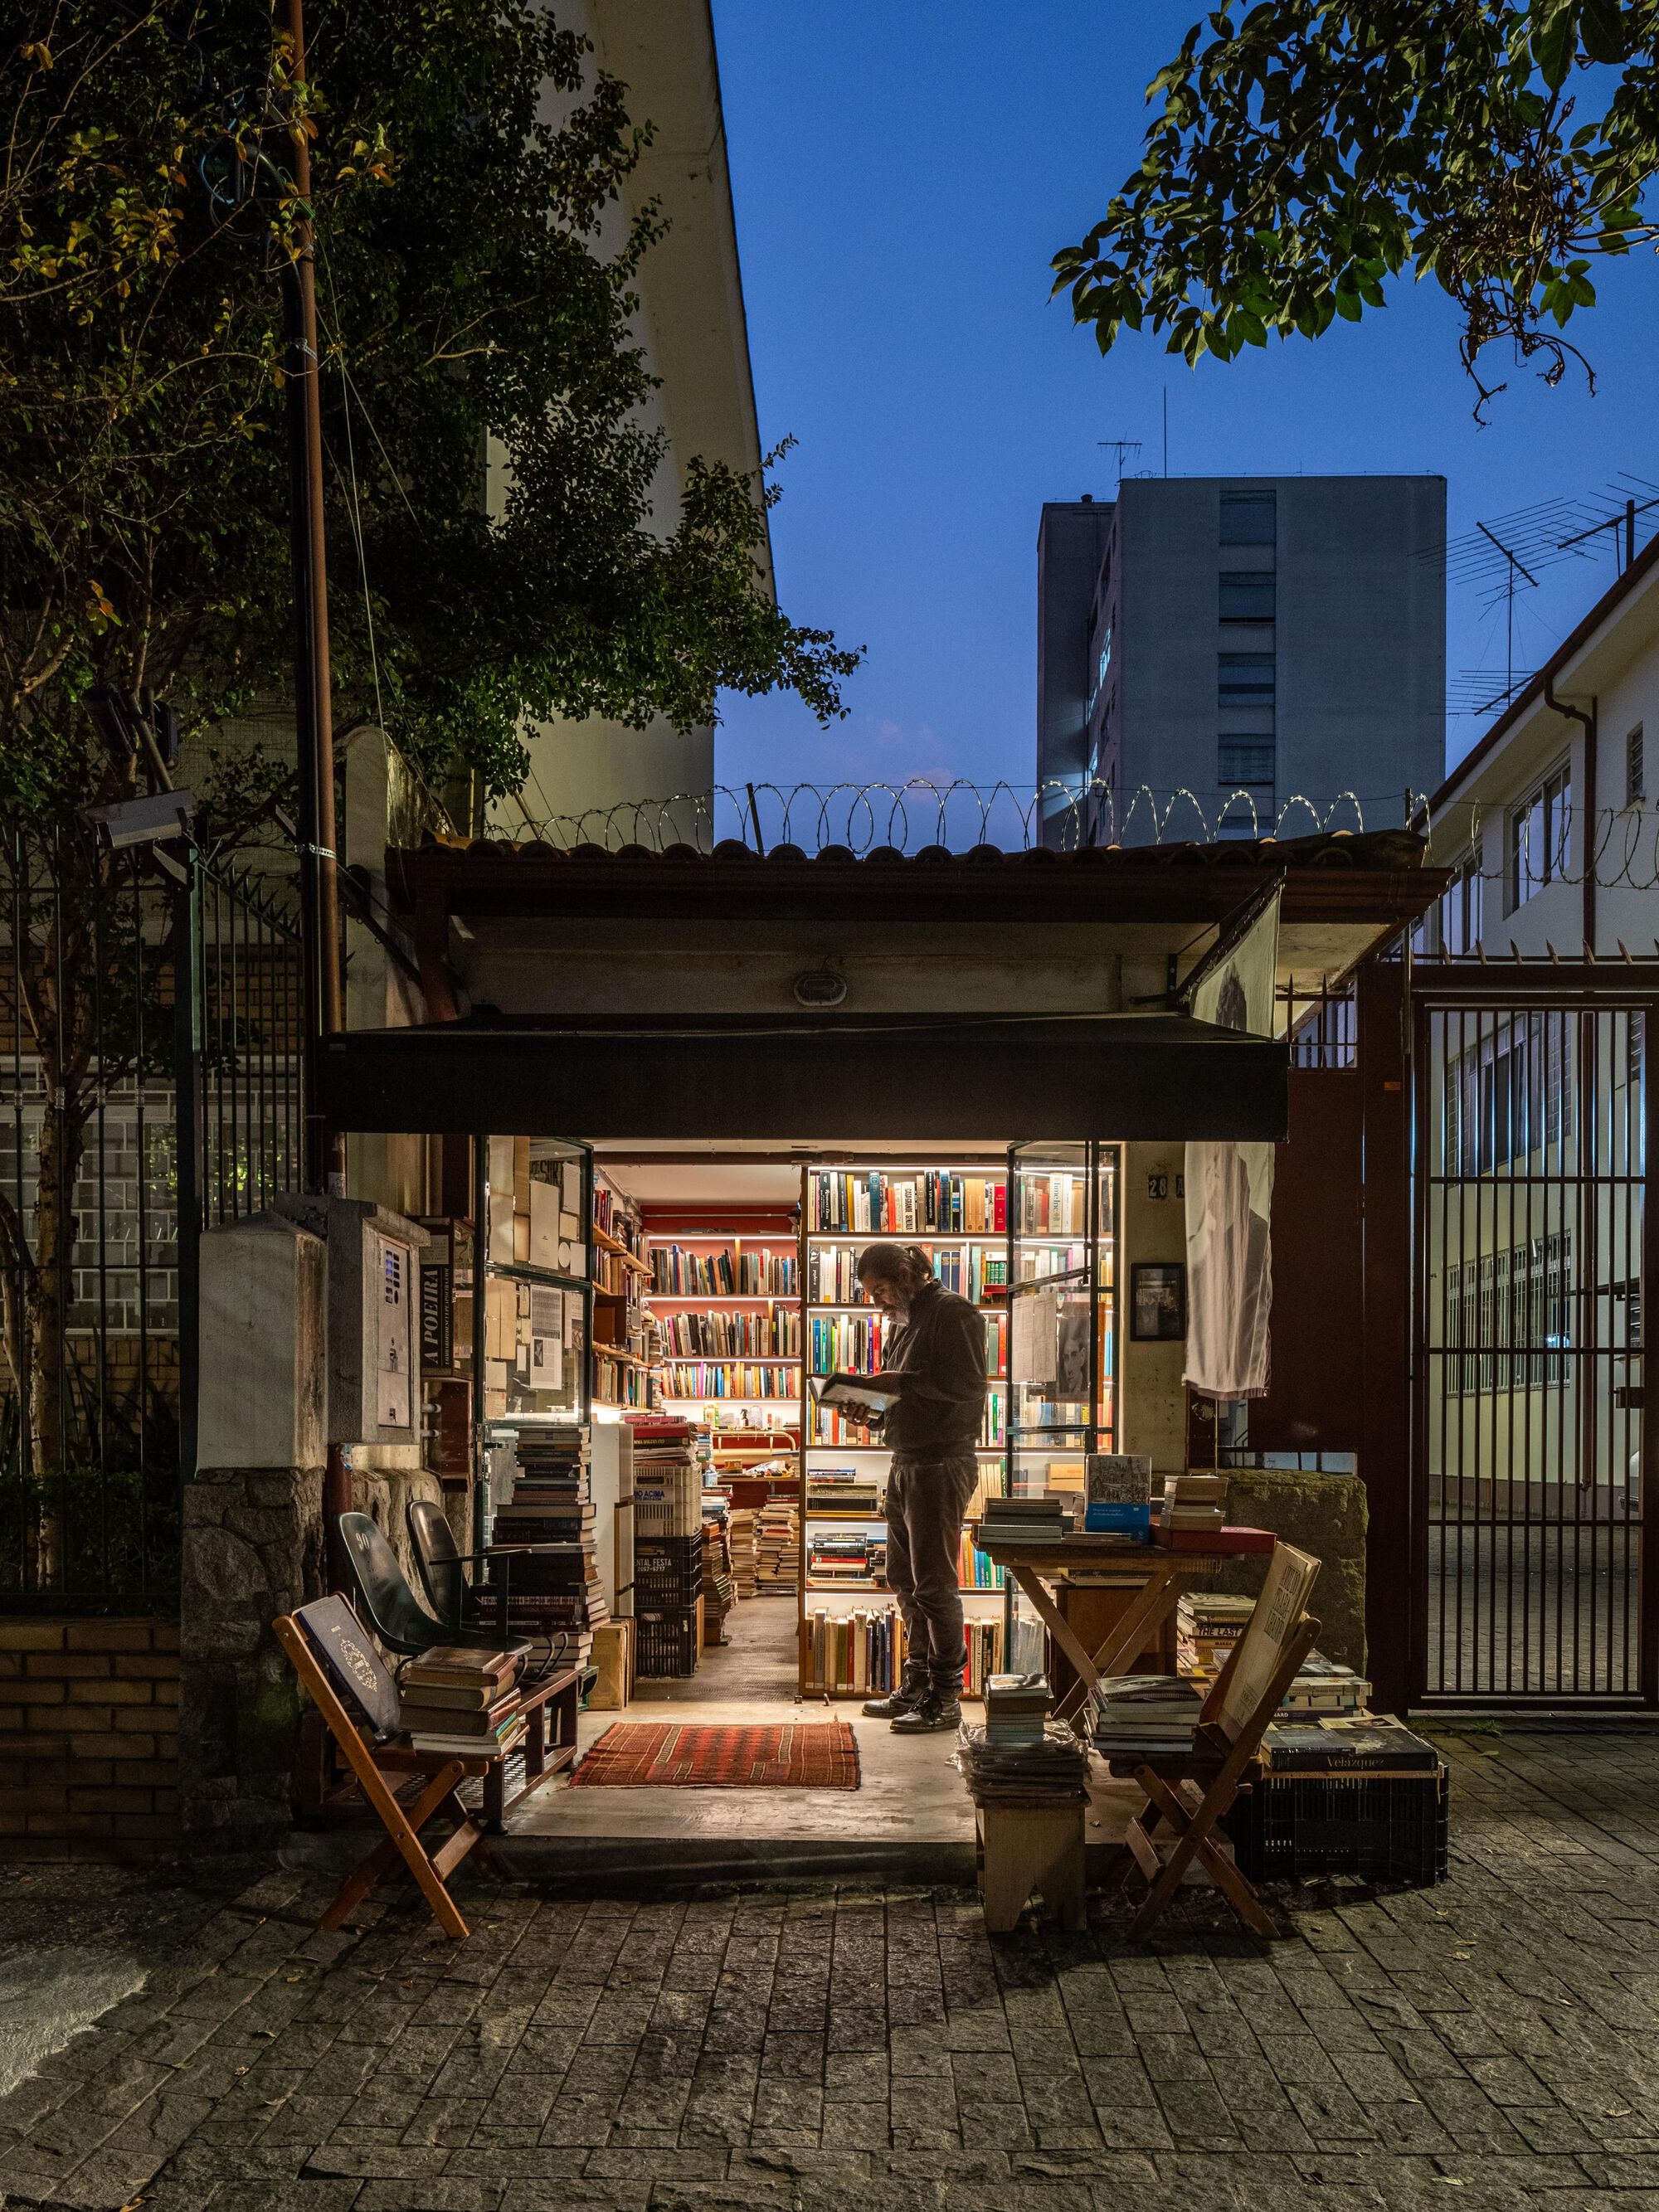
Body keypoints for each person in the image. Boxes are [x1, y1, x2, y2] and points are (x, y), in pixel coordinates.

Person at [853, 1240, 988, 1732]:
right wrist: (868, 1407)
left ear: (908, 1275)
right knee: (904, 1581)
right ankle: (916, 1682)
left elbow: (970, 1386)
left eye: (882, 1289)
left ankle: (946, 1694)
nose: (878, 1301)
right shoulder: (902, 1324)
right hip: (906, 1461)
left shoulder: (953, 1313)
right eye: (871, 1293)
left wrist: (898, 1383)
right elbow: (904, 1393)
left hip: (941, 1462)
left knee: (934, 1584)